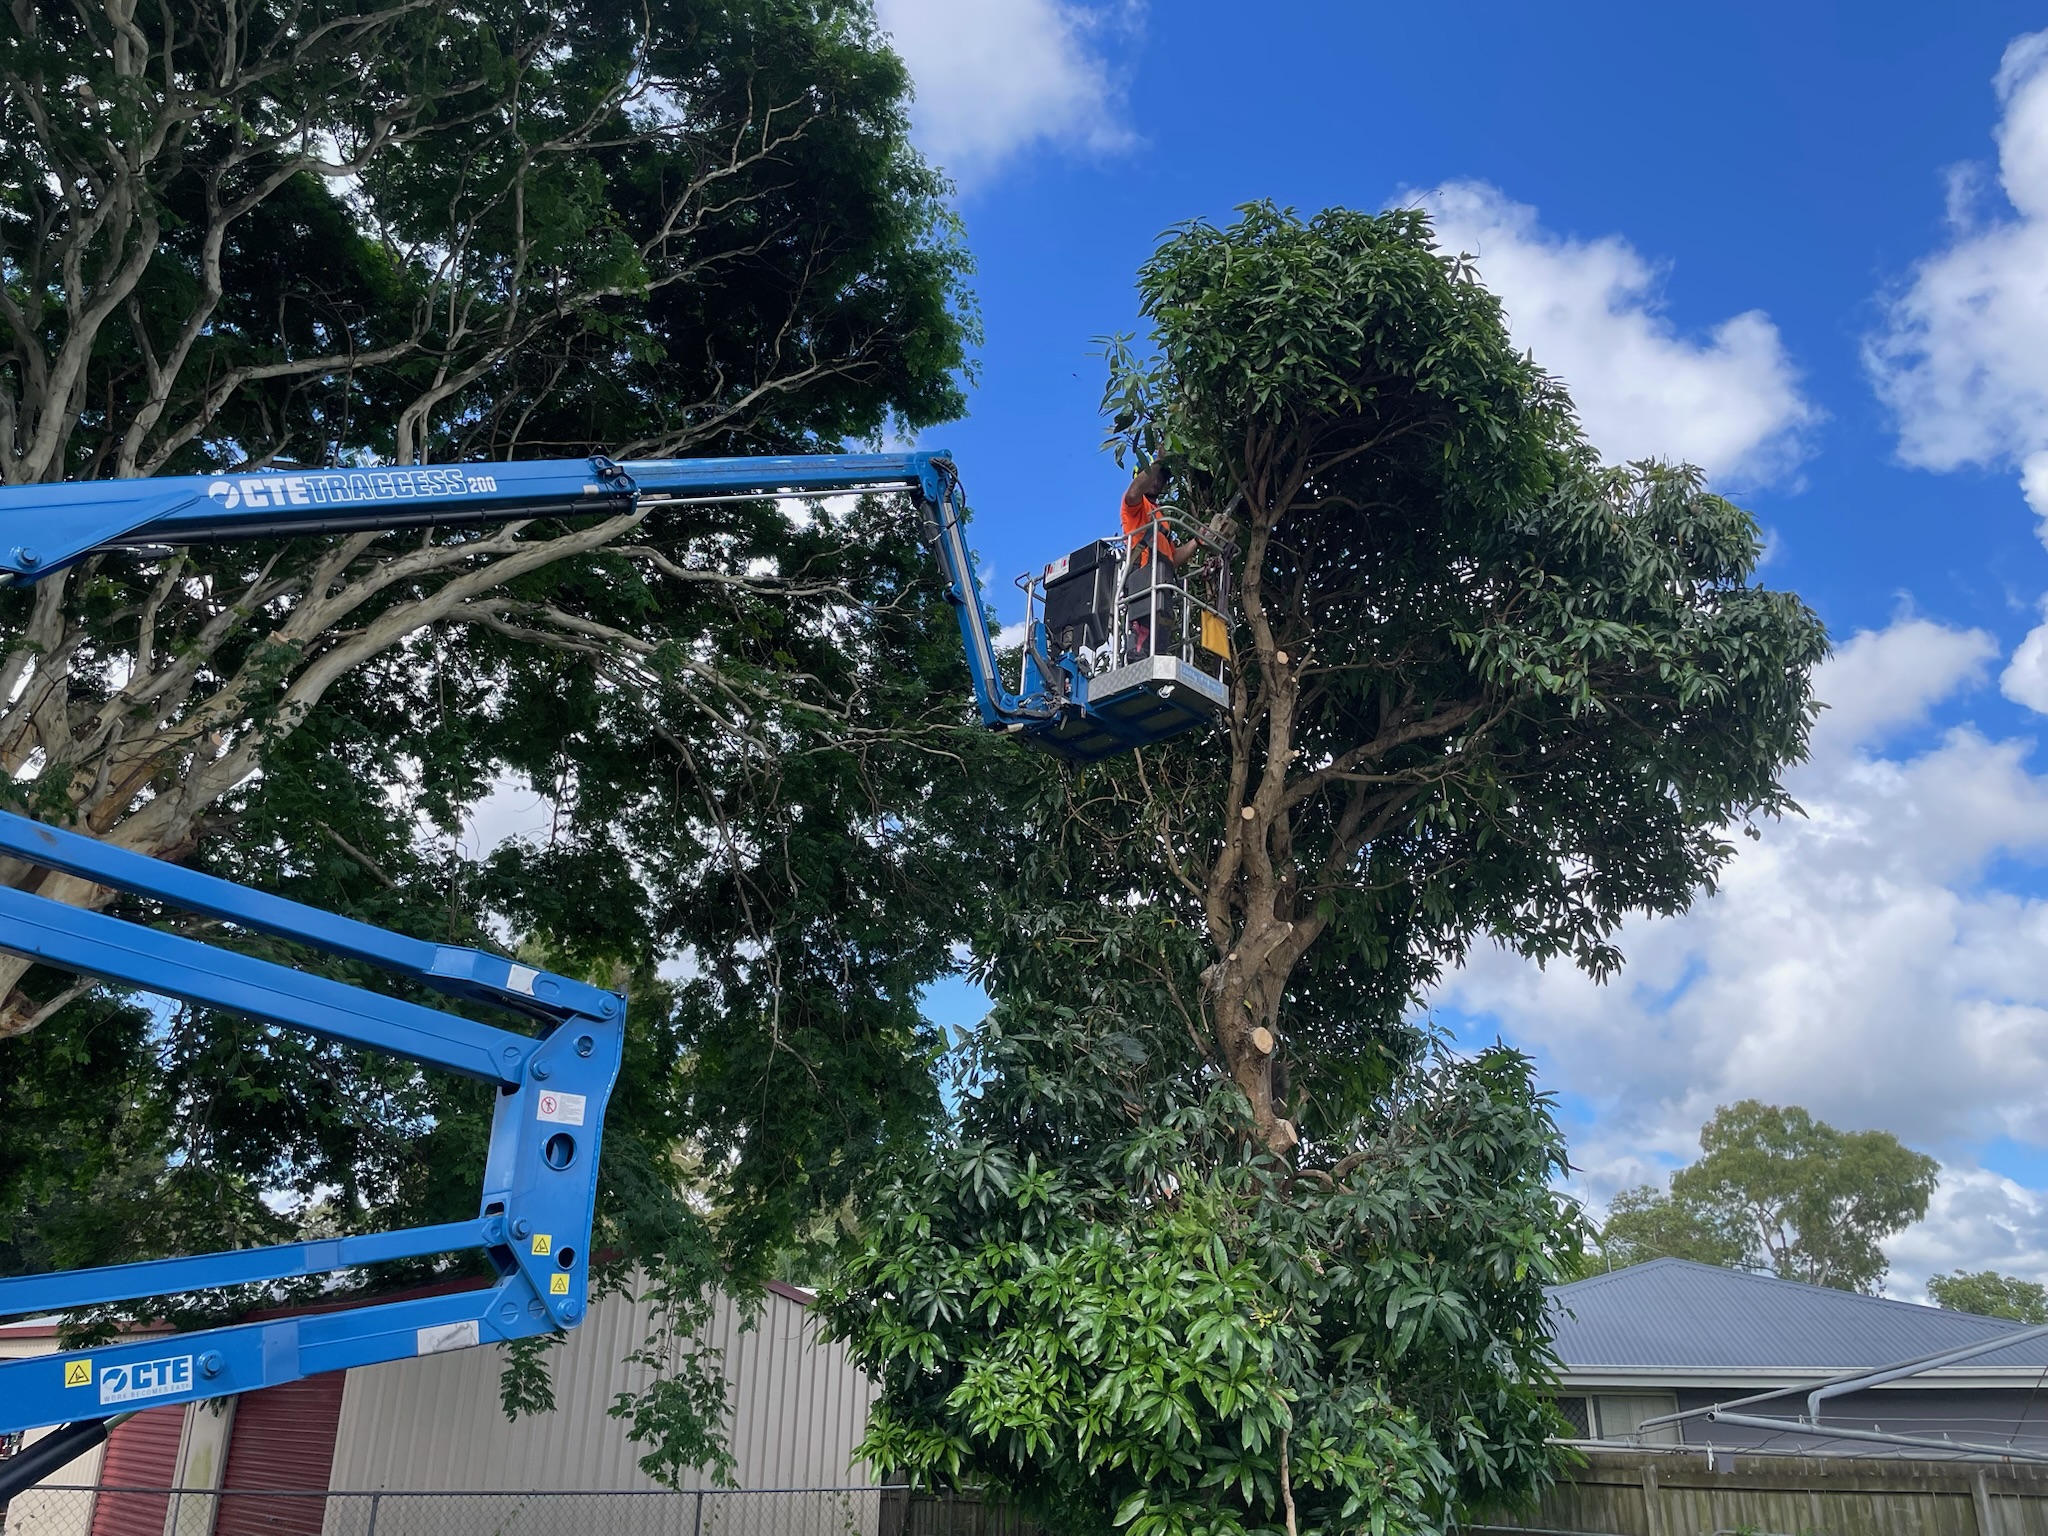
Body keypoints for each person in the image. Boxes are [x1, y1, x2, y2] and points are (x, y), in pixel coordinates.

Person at [1120, 460, 1197, 660]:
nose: (1157, 481)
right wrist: (1158, 462)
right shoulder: (1135, 504)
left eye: (1162, 477)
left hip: (1163, 581)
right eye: (1155, 475)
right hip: (1142, 579)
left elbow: (1173, 558)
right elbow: (1132, 493)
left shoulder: (1162, 517)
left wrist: (1197, 541)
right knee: (1141, 639)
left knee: (1160, 643)